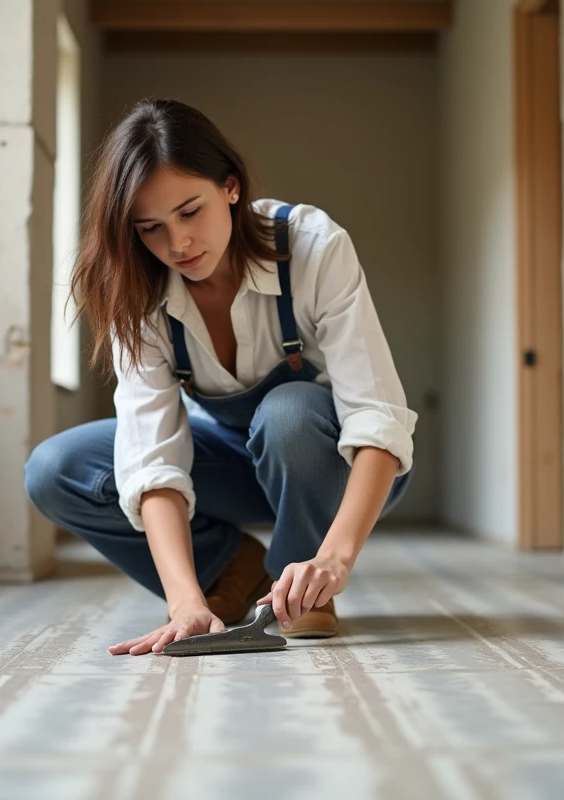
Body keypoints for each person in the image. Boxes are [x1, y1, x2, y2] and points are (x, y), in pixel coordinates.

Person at [25, 99, 416, 656]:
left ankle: (301, 584)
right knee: (56, 470)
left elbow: (376, 416)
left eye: (190, 212)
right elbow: (151, 458)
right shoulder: (138, 291)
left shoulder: (312, 247)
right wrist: (184, 601)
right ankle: (232, 568)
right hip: (228, 467)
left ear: (230, 187)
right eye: (150, 228)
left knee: (288, 412)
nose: (177, 244)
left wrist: (334, 558)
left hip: (332, 466)